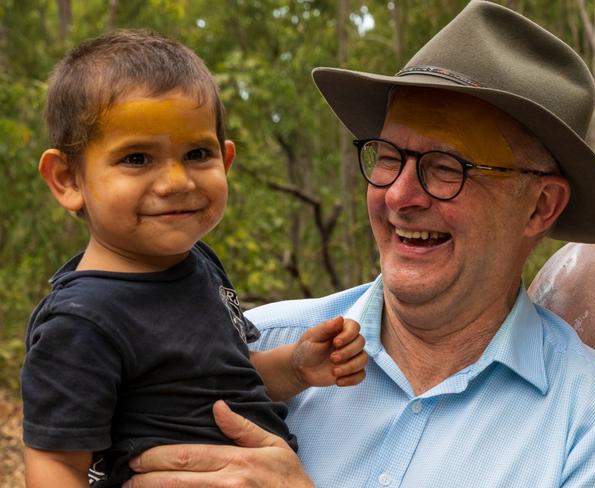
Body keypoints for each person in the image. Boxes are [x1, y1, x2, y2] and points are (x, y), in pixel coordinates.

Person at [123, 2, 595, 487]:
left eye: (446, 168)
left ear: (540, 207)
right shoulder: (257, 350)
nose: (397, 194)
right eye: (388, 157)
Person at [20, 30, 368, 488]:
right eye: (138, 158)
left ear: (225, 161)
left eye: (197, 154)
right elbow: (56, 465)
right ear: (67, 179)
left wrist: (296, 366)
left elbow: (225, 379)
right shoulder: (82, 320)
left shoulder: (199, 264)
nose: (177, 181)